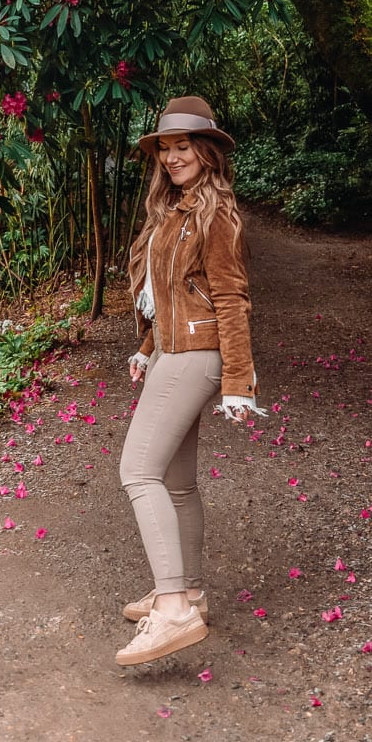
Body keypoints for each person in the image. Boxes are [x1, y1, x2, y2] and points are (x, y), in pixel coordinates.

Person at [115, 95, 263, 668]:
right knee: (176, 482)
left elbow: (230, 298)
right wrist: (146, 346)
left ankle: (173, 607)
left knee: (137, 470)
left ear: (205, 151)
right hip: (172, 351)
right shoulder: (173, 210)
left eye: (182, 147)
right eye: (165, 149)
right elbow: (173, 297)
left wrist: (239, 380)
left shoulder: (214, 213)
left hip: (198, 356)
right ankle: (190, 589)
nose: (173, 157)